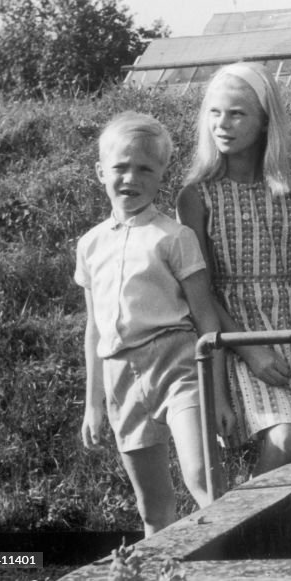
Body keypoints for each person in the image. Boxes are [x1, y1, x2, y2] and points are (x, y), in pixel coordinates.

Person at [77, 112, 233, 535]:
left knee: (203, 479)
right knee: (153, 510)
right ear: (100, 172)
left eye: (145, 168)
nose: (131, 177)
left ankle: (235, 564)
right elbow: (94, 329)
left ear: (162, 173)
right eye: (120, 167)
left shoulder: (174, 237)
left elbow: (205, 317)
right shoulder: (89, 244)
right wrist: (93, 404)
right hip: (121, 377)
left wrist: (217, 396)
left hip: (178, 368)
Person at [178, 62, 291, 476]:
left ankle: (260, 530)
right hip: (232, 330)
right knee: (286, 437)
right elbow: (201, 291)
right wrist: (249, 348)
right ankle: (249, 533)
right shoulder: (197, 196)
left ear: (265, 122)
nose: (222, 124)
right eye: (214, 112)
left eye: (237, 113)